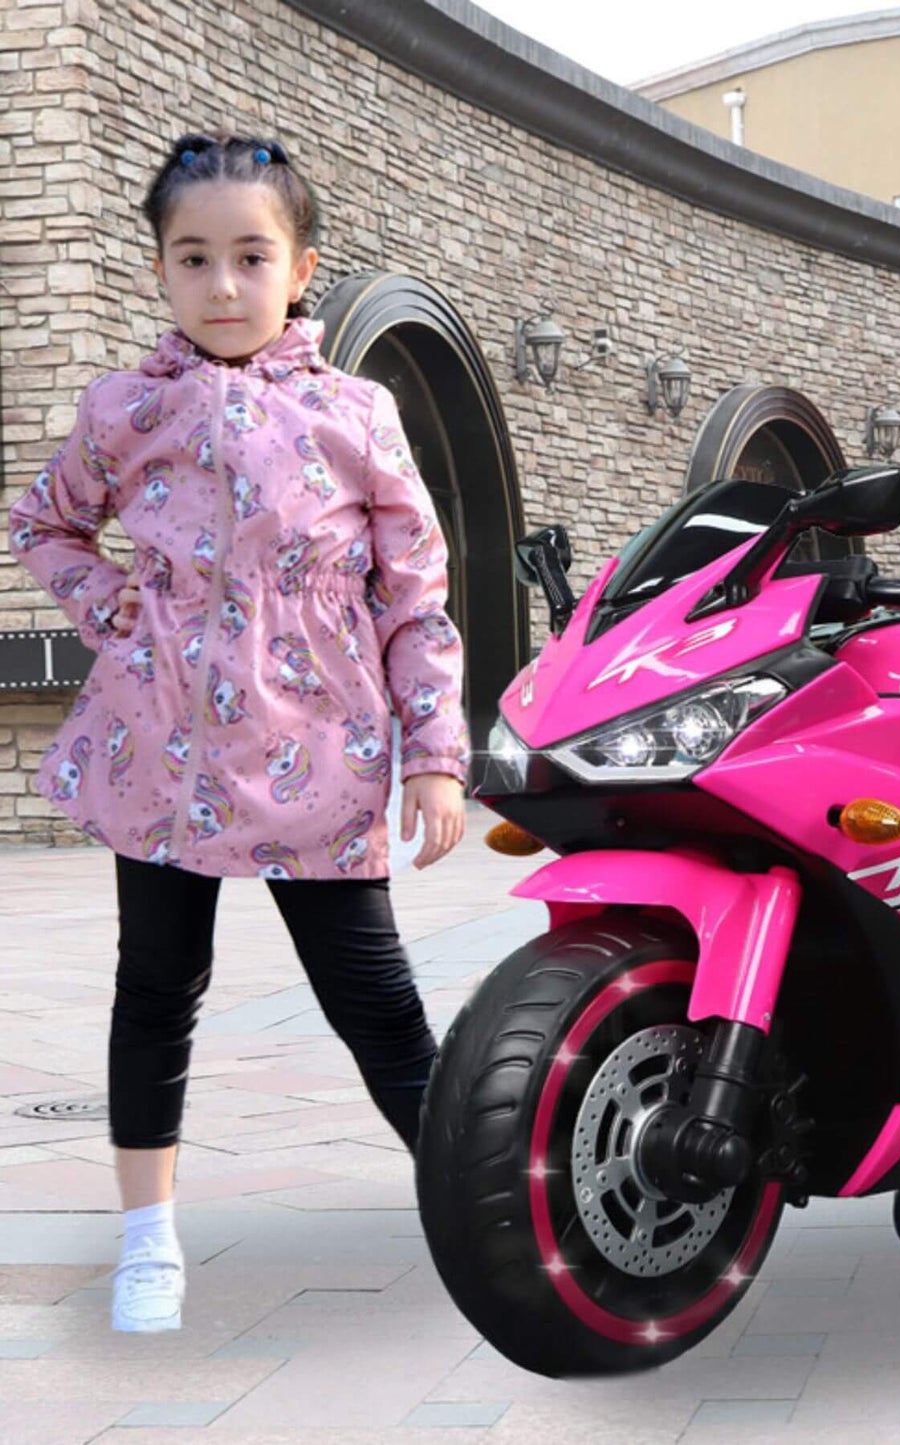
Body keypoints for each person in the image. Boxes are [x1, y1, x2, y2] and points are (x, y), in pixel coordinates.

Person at [7, 133, 470, 1334]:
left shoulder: (355, 413)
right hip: (160, 754)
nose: (222, 284)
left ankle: (487, 1216)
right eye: (193, 256)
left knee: (376, 1001)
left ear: (300, 268)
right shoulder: (124, 409)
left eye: (251, 256)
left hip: (320, 753)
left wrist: (433, 755)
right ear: (161, 269)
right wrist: (113, 608)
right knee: (156, 989)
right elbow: (44, 523)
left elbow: (415, 596)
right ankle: (147, 1240)